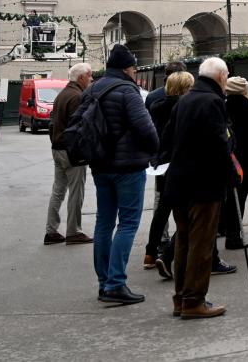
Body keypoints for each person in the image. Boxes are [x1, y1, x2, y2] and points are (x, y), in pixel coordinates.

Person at [160, 57, 235, 319]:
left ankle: (181, 298)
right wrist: (231, 175)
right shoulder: (213, 102)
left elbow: (167, 139)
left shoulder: (184, 100)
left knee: (183, 241)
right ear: (222, 77)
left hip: (179, 182)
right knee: (202, 244)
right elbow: (219, 144)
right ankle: (194, 301)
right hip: (204, 184)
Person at [88, 44, 159, 306]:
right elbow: (146, 128)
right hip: (128, 167)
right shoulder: (128, 91)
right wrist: (154, 149)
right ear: (127, 68)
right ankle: (116, 283)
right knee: (128, 223)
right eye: (133, 67)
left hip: (100, 165)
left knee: (103, 223)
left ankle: (103, 283)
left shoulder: (93, 88)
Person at [145, 70, 193, 276]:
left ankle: (150, 252)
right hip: (181, 163)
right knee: (189, 213)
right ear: (184, 88)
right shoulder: (186, 107)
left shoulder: (156, 105)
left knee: (163, 209)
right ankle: (170, 255)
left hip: (162, 162)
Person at [46, 62, 94, 246]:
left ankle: (51, 231)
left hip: (58, 148)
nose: (91, 79)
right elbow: (79, 128)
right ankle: (74, 231)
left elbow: (53, 123)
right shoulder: (77, 96)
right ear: (81, 77)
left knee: (58, 190)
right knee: (76, 191)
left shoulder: (62, 94)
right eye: (89, 76)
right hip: (71, 151)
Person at [221, 75, 248, 249]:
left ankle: (226, 229)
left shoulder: (223, 106)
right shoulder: (245, 108)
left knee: (229, 197)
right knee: (239, 198)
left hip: (229, 157)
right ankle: (234, 235)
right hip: (243, 160)